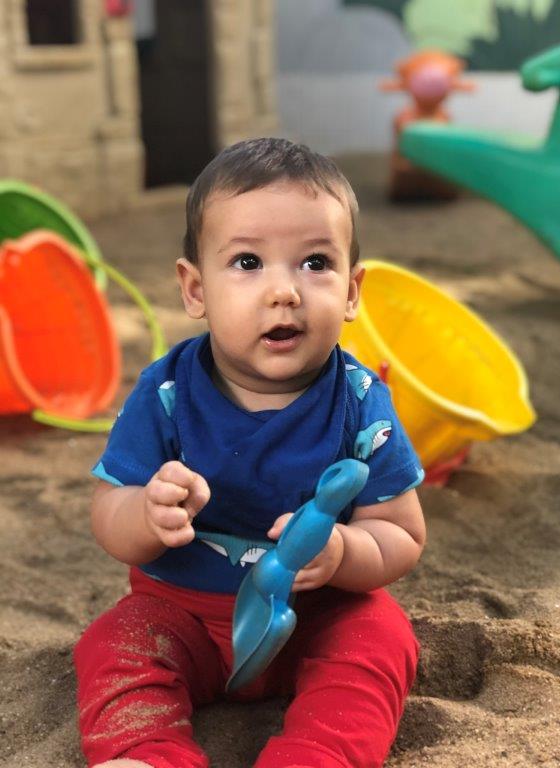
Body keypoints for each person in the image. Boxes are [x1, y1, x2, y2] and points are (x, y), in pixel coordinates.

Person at [74, 137, 426, 768]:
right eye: (247, 262)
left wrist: (344, 552)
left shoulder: (360, 400)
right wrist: (147, 513)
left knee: (381, 636)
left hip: (316, 617)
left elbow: (401, 534)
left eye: (315, 262)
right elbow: (108, 516)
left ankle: (316, 756)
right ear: (195, 289)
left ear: (352, 291)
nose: (284, 291)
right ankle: (147, 753)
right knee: (114, 643)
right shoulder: (166, 394)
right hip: (181, 617)